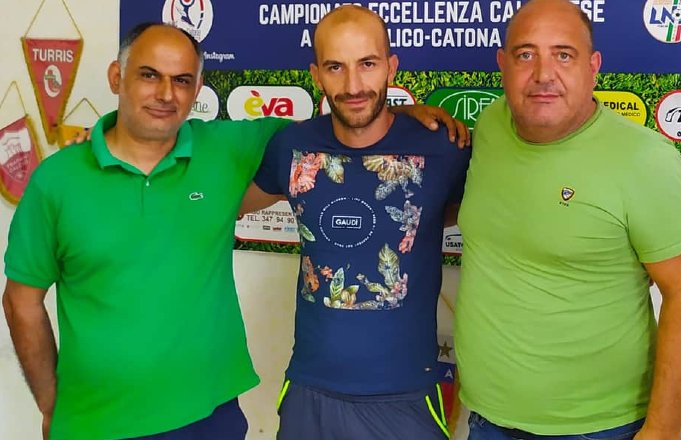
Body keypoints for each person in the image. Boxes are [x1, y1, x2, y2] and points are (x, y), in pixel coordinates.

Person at [1, 22, 465, 440]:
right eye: (148, 75)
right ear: (116, 77)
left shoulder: (228, 149)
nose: (165, 93)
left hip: (219, 416)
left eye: (181, 80)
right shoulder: (59, 180)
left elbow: (357, 124)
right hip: (105, 420)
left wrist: (405, 116)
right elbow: (20, 299)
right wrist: (51, 404)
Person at [454, 1, 681, 439]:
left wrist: (663, 431)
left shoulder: (643, 159)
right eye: (525, 54)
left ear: (592, 67)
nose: (543, 74)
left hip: (600, 428)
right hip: (488, 419)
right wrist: (404, 114)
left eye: (563, 54)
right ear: (502, 64)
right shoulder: (491, 125)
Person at [239, 5, 471, 440]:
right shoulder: (291, 146)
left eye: (367, 64)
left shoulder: (443, 148)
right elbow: (219, 208)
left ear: (390, 67)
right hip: (310, 391)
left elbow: (485, 208)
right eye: (335, 67)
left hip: (406, 398)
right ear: (316, 75)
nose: (353, 85)